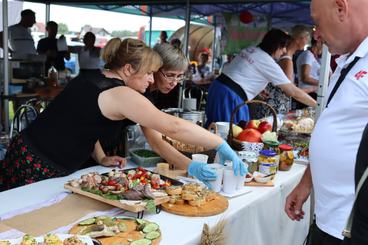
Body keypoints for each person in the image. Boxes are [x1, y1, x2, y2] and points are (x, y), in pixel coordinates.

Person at [0, 38, 246, 191]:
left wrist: (100, 157)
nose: (151, 79)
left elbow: (87, 123)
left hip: (28, 152)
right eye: (150, 73)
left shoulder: (95, 77)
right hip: (37, 163)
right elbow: (173, 127)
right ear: (128, 69)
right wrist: (219, 142)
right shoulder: (122, 94)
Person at [285, 0, 368, 244]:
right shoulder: (348, 61)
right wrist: (306, 181)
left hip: (353, 229)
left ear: (341, 8)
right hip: (328, 220)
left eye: (317, 23)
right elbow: (336, 129)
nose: (317, 35)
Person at [205, 29, 317, 127]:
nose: (283, 51)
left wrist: (258, 89)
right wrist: (318, 105)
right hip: (230, 97)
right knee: (229, 133)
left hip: (217, 87)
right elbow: (292, 91)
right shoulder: (267, 61)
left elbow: (242, 72)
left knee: (213, 128)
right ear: (276, 46)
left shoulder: (251, 49)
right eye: (283, 47)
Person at [295, 37, 323, 104]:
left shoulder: (314, 56)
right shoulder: (308, 54)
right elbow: (305, 78)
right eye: (323, 43)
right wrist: (323, 83)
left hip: (312, 93)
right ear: (318, 42)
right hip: (309, 93)